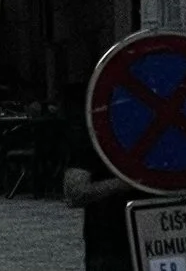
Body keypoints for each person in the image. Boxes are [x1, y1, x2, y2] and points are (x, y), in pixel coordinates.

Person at [62, 109, 132, 271]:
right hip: (109, 241)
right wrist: (124, 183)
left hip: (157, 236)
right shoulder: (97, 136)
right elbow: (75, 193)